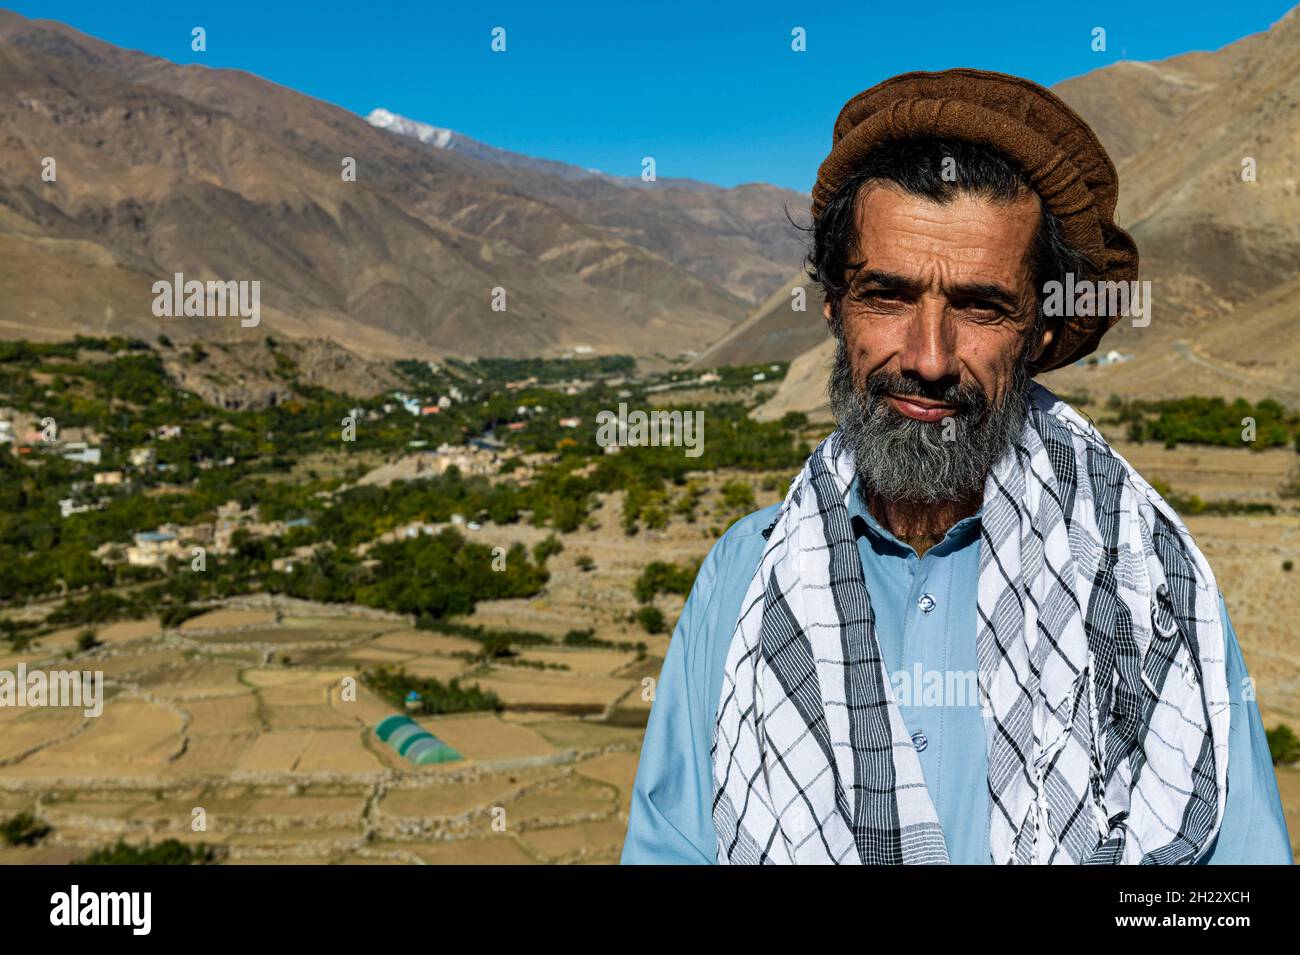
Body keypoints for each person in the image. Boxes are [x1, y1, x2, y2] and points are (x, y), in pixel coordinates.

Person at [621, 69, 1292, 865]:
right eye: (888, 297)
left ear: (1040, 329)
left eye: (980, 306)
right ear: (835, 306)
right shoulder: (743, 577)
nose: (930, 358)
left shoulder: (1147, 583)